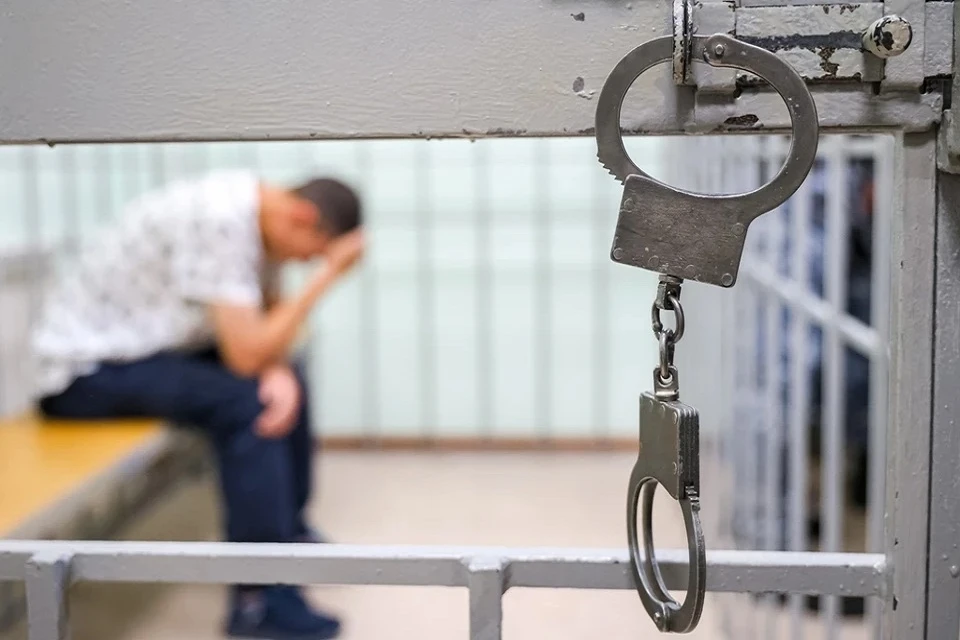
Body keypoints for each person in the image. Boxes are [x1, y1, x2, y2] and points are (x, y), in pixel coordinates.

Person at [29, 170, 364, 640]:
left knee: (286, 379)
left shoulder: (256, 217)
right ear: (302, 217)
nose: (304, 263)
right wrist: (325, 277)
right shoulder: (220, 220)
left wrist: (279, 370)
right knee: (249, 405)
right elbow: (247, 353)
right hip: (83, 371)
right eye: (310, 254)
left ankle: (288, 536)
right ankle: (260, 600)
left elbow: (264, 326)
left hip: (147, 348)